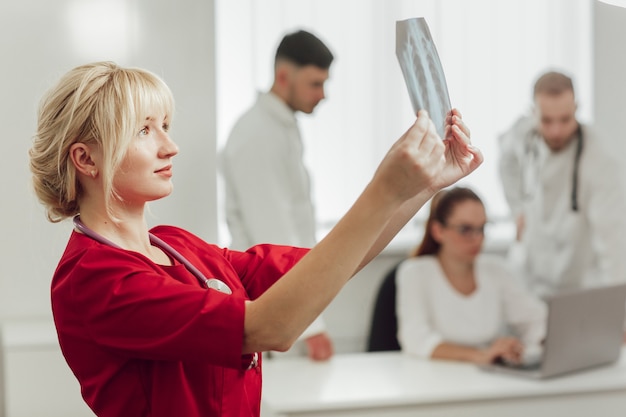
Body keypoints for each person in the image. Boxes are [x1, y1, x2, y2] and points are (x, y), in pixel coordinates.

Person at [28, 61, 482, 417]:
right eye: (144, 130)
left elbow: (330, 262)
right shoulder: (93, 278)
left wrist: (426, 187)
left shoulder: (175, 246)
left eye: (165, 126)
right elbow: (269, 328)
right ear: (86, 159)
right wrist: (385, 188)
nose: (170, 147)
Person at [220, 30, 334, 360]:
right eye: (315, 84)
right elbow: (274, 238)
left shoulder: (280, 127)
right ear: (283, 76)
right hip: (274, 310)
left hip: (287, 306)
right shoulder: (257, 134)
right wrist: (313, 327)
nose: (323, 94)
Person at [498, 70, 626, 299]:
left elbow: (611, 241)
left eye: (565, 120)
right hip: (530, 273)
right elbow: (506, 164)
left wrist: (620, 312)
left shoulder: (600, 159)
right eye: (546, 120)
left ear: (577, 109)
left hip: (578, 280)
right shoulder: (522, 133)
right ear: (533, 112)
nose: (556, 131)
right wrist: (517, 209)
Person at [396, 187, 546, 365]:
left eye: (482, 228)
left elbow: (538, 322)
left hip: (488, 379)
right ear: (438, 231)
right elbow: (416, 340)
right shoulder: (415, 273)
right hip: (433, 380)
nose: (477, 239)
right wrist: (481, 355)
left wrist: (522, 348)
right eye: (465, 229)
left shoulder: (496, 270)